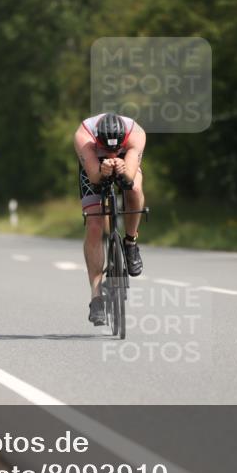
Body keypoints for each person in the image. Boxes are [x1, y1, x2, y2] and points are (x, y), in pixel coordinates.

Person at [74, 112, 146, 326]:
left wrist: (123, 170)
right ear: (97, 140)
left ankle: (131, 242)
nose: (112, 154)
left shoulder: (136, 134)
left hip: (127, 159)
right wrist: (102, 171)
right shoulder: (84, 136)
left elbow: (129, 178)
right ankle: (96, 297)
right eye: (107, 149)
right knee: (94, 225)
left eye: (115, 149)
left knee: (134, 190)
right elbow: (94, 178)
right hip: (94, 164)